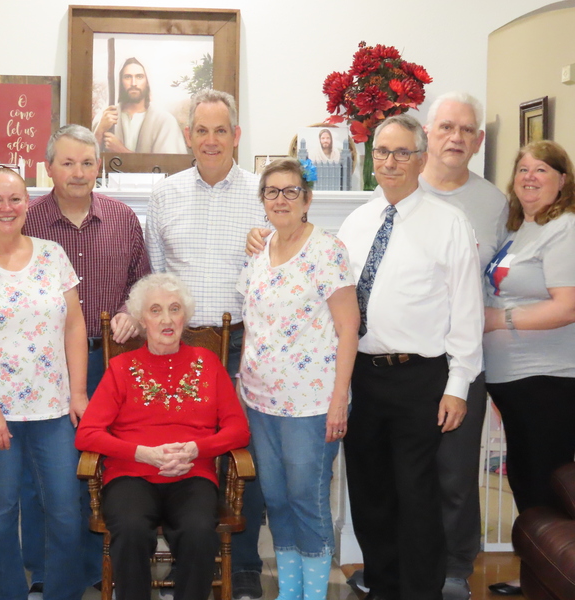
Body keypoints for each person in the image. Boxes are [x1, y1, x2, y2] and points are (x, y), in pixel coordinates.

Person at [344, 92, 509, 600]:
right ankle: (383, 584)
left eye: (400, 153)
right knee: (370, 494)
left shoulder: (449, 223)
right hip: (362, 378)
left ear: (420, 159)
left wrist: (458, 386)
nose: (389, 163)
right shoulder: (356, 223)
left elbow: (465, 312)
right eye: (382, 152)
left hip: (421, 378)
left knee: (417, 495)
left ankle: (420, 591)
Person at [0, 168, 87, 600]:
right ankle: (5, 593)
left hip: (53, 410)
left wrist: (78, 392)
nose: (7, 208)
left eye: (15, 199)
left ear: (27, 202)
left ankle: (62, 592)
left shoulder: (53, 254)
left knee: (63, 508)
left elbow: (74, 326)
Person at [145, 89, 267, 600]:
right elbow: (155, 276)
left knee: (243, 454)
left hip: (244, 343)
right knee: (180, 455)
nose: (211, 140)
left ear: (236, 136)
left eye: (221, 130)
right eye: (202, 130)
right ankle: (185, 560)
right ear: (189, 136)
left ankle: (242, 569)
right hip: (181, 350)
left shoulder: (265, 193)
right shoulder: (165, 194)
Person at [22, 123, 151, 595]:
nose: (78, 172)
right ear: (50, 167)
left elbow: (143, 285)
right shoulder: (26, 220)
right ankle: (46, 572)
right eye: (67, 162)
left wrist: (129, 314)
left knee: (108, 469)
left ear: (100, 166)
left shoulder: (123, 218)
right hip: (46, 368)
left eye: (87, 162)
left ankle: (103, 571)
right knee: (48, 473)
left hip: (115, 366)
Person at [75, 273, 250, 600]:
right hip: (130, 474)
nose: (167, 319)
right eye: (156, 311)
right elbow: (87, 435)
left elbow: (238, 429)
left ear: (186, 316)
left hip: (193, 473)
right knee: (129, 529)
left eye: (174, 309)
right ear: (142, 320)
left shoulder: (208, 363)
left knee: (199, 531)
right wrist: (142, 453)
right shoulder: (121, 368)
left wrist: (196, 449)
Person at [237, 158, 359, 600]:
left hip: (311, 405)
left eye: (291, 191)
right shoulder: (260, 250)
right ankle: (289, 592)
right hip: (260, 401)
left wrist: (340, 398)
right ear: (263, 201)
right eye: (273, 192)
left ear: (307, 200)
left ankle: (314, 593)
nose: (282, 199)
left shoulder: (327, 250)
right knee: (276, 497)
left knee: (306, 499)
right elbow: (254, 323)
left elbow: (349, 327)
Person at [483, 140, 575, 597]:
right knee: (526, 478)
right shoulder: (524, 230)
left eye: (542, 169)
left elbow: (566, 307)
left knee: (547, 483)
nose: (530, 177)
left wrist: (499, 320)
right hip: (515, 384)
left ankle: (554, 577)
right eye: (522, 169)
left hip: (548, 380)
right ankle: (539, 572)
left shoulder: (565, 229)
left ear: (563, 180)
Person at [93, 57, 188, 154]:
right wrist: (99, 131)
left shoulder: (164, 121)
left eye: (139, 77)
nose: (133, 83)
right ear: (121, 82)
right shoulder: (105, 117)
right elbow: (86, 156)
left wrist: (122, 151)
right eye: (128, 77)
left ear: (147, 82)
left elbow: (169, 165)